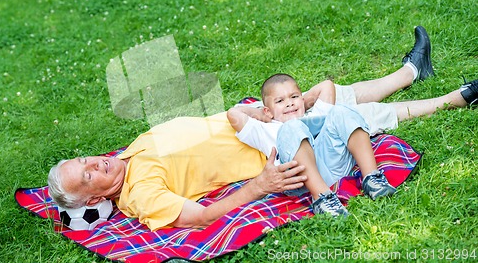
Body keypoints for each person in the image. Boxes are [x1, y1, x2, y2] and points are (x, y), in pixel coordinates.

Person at [48, 26, 477, 230]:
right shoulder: (139, 193)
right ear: (97, 196)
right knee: (347, 117)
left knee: (325, 92)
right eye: (88, 176)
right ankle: (453, 98)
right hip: (274, 147)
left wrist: (247, 112)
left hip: (253, 118)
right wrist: (259, 187)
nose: (95, 164)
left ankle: (408, 72)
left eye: (85, 160)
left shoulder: (129, 153)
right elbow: (197, 217)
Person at [227, 73, 397, 217]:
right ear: (268, 110)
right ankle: (322, 198)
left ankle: (372, 178)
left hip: (334, 165)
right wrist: (259, 113)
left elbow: (327, 85)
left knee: (342, 111)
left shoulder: (314, 114)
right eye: (280, 101)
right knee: (292, 127)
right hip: (300, 181)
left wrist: (304, 102)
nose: (289, 103)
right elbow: (233, 115)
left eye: (293, 97)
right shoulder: (266, 129)